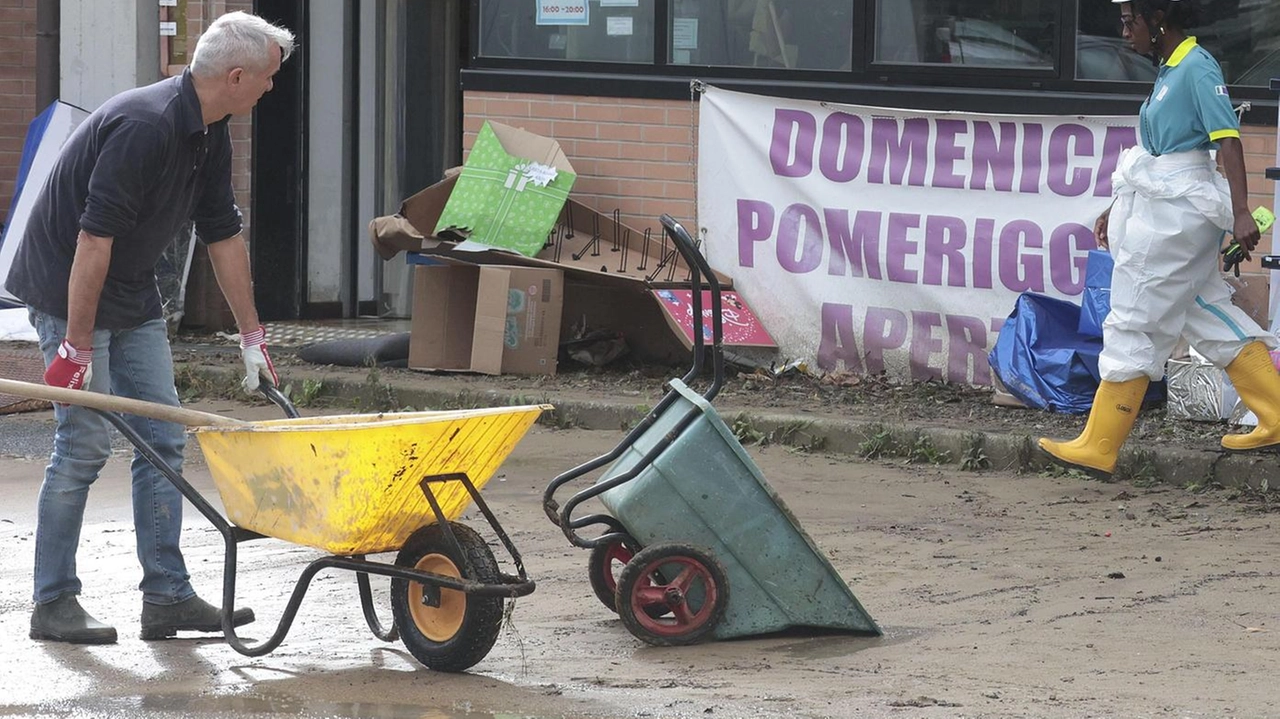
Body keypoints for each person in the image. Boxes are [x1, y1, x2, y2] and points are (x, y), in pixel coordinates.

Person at [3, 11, 295, 644]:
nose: (272, 88)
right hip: (69, 285)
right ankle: (52, 602)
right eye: (269, 77)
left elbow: (221, 233)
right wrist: (76, 345)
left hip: (131, 291)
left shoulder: (210, 131)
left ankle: (166, 597)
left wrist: (251, 335)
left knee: (162, 436)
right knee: (82, 446)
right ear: (237, 75)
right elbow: (91, 238)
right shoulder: (146, 126)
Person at [1040, 0, 1280, 477]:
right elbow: (1155, 159)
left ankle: (1101, 445)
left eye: (1131, 22)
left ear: (1158, 20)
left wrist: (1240, 213)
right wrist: (1116, 207)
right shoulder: (1171, 69)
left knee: (1135, 318)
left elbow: (1227, 139)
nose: (1125, 31)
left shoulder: (1195, 67)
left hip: (1178, 219)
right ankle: (1275, 416)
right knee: (1205, 313)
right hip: (1167, 209)